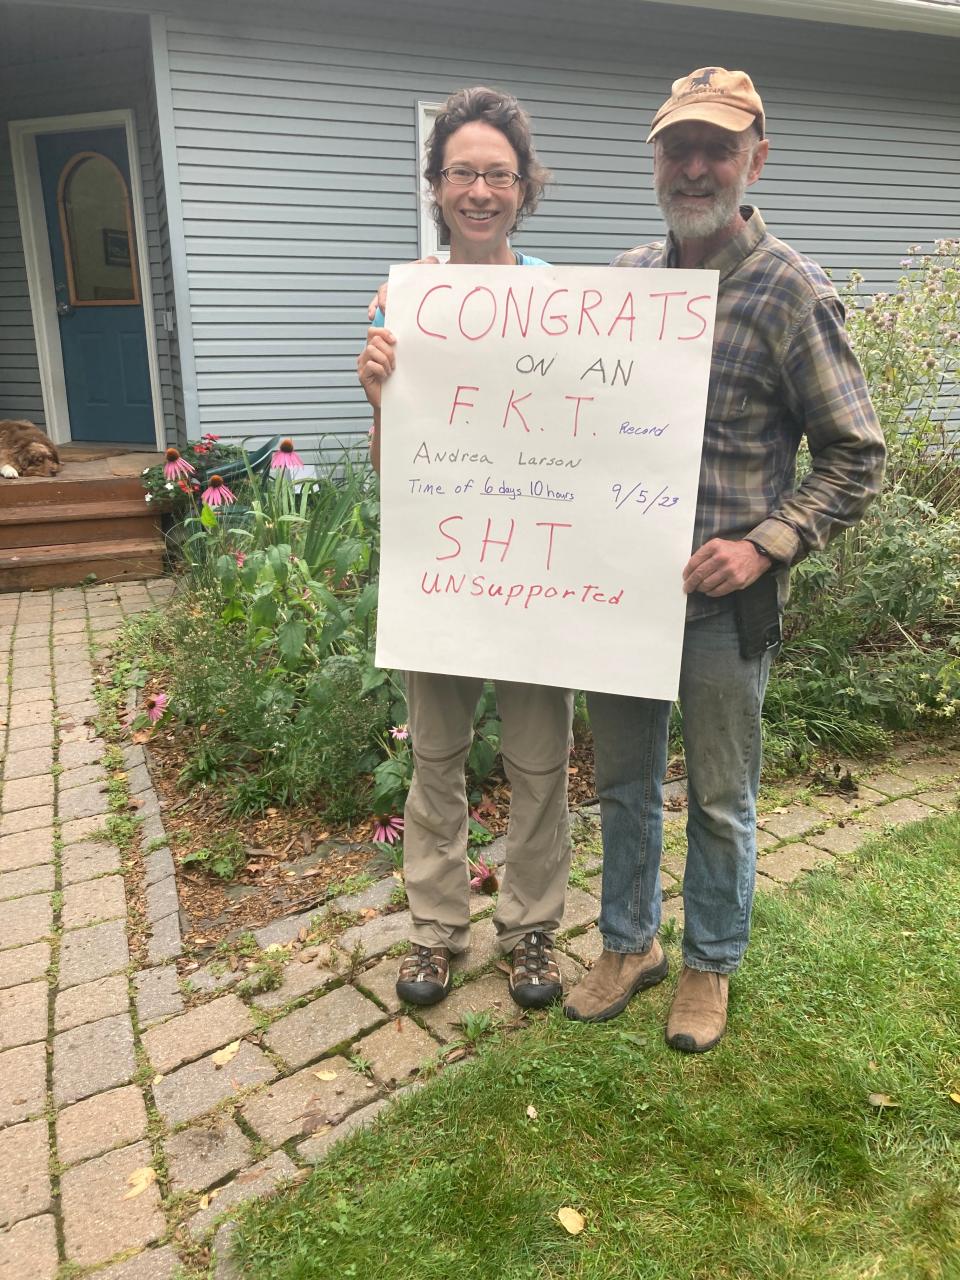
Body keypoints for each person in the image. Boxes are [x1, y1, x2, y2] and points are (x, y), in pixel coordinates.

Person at [563, 67, 886, 1052]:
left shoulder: (790, 290)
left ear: (756, 159)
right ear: (656, 160)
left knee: (721, 795)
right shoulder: (625, 284)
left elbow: (856, 454)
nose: (695, 166)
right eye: (678, 147)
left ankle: (710, 962)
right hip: (619, 596)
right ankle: (628, 942)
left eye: (717, 147)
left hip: (720, 608)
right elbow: (556, 412)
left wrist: (764, 545)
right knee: (621, 782)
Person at [357, 86, 574, 1011]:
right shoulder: (407, 297)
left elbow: (593, 444)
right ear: (436, 186)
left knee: (539, 764)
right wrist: (378, 398)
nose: (479, 189)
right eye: (462, 173)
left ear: (524, 187)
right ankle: (436, 933)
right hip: (444, 569)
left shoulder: (564, 300)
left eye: (498, 173)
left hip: (537, 569)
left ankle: (530, 931)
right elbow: (391, 463)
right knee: (435, 760)